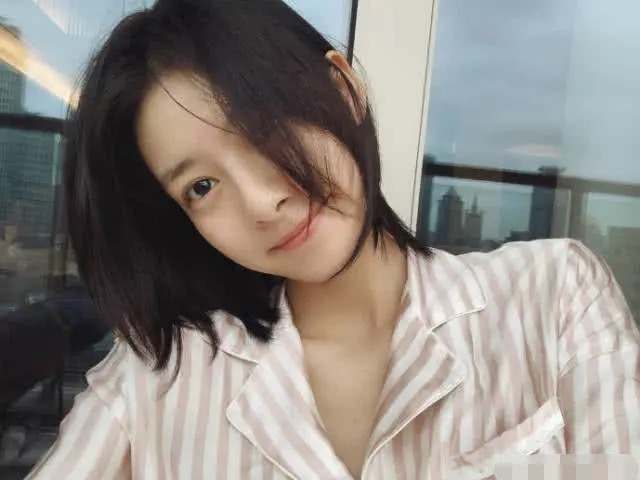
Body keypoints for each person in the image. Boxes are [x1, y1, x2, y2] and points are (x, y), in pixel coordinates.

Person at [26, 0, 640, 478]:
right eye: (203, 187)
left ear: (344, 92)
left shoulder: (553, 296)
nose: (262, 203)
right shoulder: (161, 374)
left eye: (265, 128)